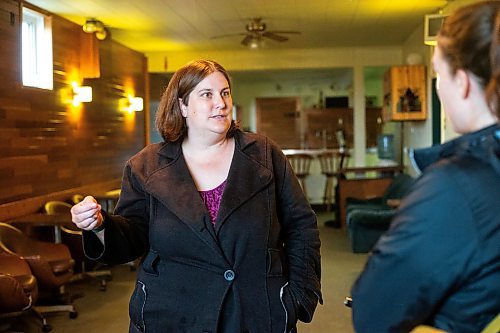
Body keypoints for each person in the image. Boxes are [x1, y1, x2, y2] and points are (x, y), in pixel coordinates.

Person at [70, 59, 322, 333]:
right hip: (173, 316)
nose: (221, 103)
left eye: (225, 92)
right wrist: (99, 225)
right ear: (182, 106)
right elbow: (133, 237)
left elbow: (301, 226)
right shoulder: (145, 166)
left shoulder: (263, 154)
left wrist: (298, 296)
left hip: (257, 313)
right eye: (207, 94)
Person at [351, 1, 500, 332]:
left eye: (437, 74)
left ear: (460, 82)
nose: (437, 86)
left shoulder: (454, 187)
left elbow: (373, 312)